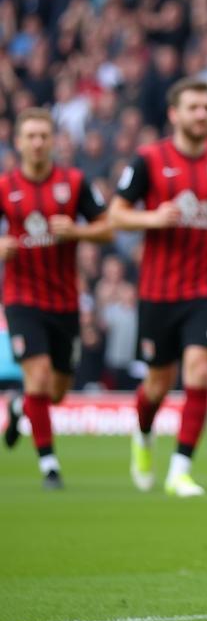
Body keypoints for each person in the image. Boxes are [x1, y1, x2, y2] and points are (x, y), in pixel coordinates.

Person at [108, 77, 207, 497]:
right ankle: (144, 435)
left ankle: (180, 470)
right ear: (174, 114)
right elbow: (115, 214)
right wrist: (152, 219)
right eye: (194, 108)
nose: (202, 114)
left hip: (204, 290)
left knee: (200, 373)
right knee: (158, 384)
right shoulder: (149, 159)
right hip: (157, 293)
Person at [0, 107, 111, 488]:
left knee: (57, 393)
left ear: (53, 141)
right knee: (39, 374)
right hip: (21, 298)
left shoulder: (74, 182)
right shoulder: (5, 187)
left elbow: (107, 229)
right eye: (29, 136)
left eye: (42, 136)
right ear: (18, 142)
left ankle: (18, 407)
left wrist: (78, 232)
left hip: (64, 302)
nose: (36, 143)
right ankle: (49, 465)